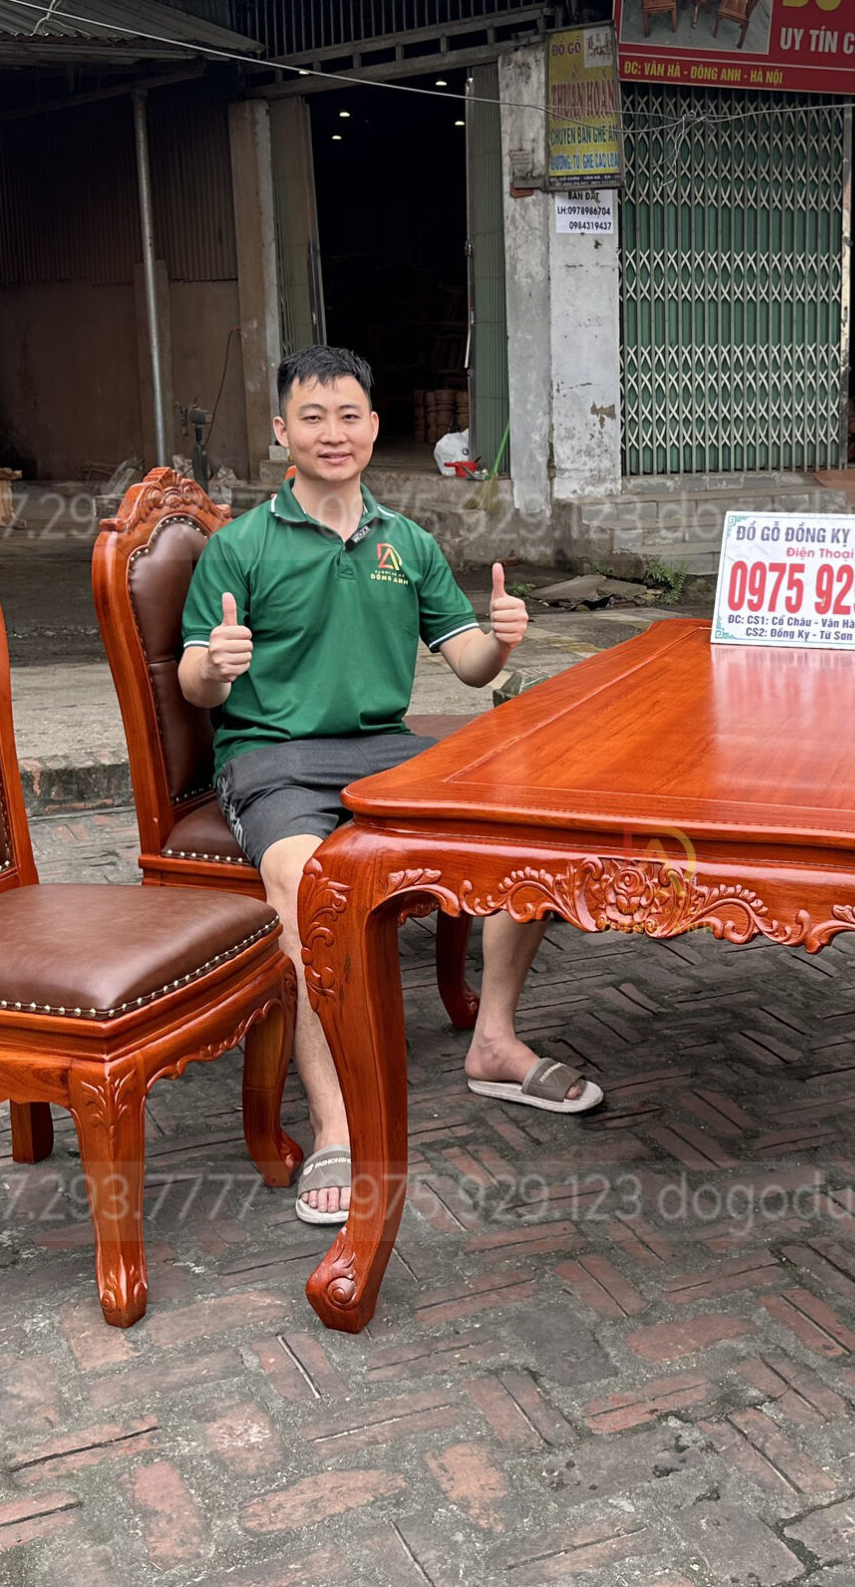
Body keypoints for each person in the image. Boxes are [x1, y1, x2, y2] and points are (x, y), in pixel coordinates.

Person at [178, 345, 600, 1224]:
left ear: (373, 427)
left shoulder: (407, 544)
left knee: (525, 823)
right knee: (302, 877)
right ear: (282, 431)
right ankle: (334, 1122)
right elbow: (194, 682)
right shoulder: (238, 547)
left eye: (349, 416)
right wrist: (214, 666)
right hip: (272, 758)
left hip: (386, 753)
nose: (332, 434)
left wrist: (502, 639)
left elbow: (469, 664)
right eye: (312, 417)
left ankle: (494, 1041)